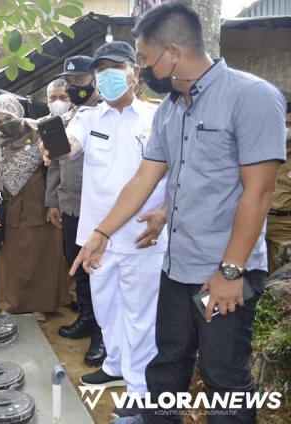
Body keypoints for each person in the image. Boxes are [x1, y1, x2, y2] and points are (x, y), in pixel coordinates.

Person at [76, 4, 287, 423]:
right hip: (177, 269)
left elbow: (258, 192)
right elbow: (144, 179)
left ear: (171, 54)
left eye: (145, 58)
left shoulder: (252, 96)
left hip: (226, 271)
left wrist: (230, 273)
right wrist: (102, 231)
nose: (143, 68)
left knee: (223, 376)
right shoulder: (172, 108)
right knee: (167, 363)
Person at [52, 42, 167, 417]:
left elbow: (179, 170)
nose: (108, 77)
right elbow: (69, 148)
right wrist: (50, 140)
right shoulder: (88, 119)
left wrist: (165, 211)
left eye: (116, 68)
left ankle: (139, 386)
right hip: (96, 238)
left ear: (135, 72)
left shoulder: (157, 117)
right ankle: (115, 366)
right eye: (101, 70)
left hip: (140, 237)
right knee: (106, 307)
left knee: (140, 314)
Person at [0, 93, 70, 319]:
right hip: (10, 206)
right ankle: (11, 304)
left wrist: (54, 201)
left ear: (18, 112)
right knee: (12, 258)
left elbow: (58, 164)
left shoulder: (40, 129)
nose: (4, 125)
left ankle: (40, 305)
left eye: (8, 118)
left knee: (42, 254)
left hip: (40, 203)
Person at [45, 56, 107, 367]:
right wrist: (53, 201)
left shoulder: (108, 114)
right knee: (77, 266)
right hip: (70, 206)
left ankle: (102, 334)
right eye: (71, 84)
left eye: (80, 82)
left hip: (100, 212)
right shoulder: (71, 118)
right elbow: (56, 163)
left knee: (98, 271)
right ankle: (86, 316)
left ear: (94, 79)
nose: (75, 88)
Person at [265, 100, 291, 274]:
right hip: (257, 227)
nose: (287, 129)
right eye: (285, 124)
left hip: (285, 232)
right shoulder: (263, 149)